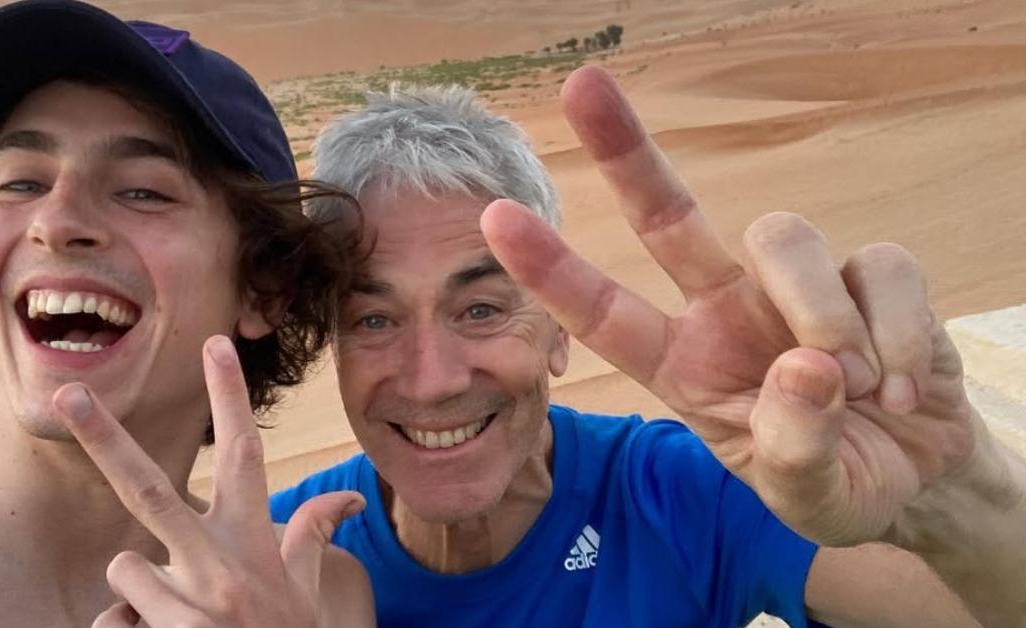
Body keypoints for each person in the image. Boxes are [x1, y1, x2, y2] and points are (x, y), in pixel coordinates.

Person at [270, 73, 1026, 627]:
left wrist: (959, 493)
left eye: (480, 308)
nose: (431, 380)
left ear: (561, 326)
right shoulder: (264, 561)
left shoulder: (685, 491)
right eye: (372, 320)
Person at [0, 1, 374, 626]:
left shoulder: (316, 595)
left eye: (143, 191)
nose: (56, 223)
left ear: (264, 289)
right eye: (20, 182)